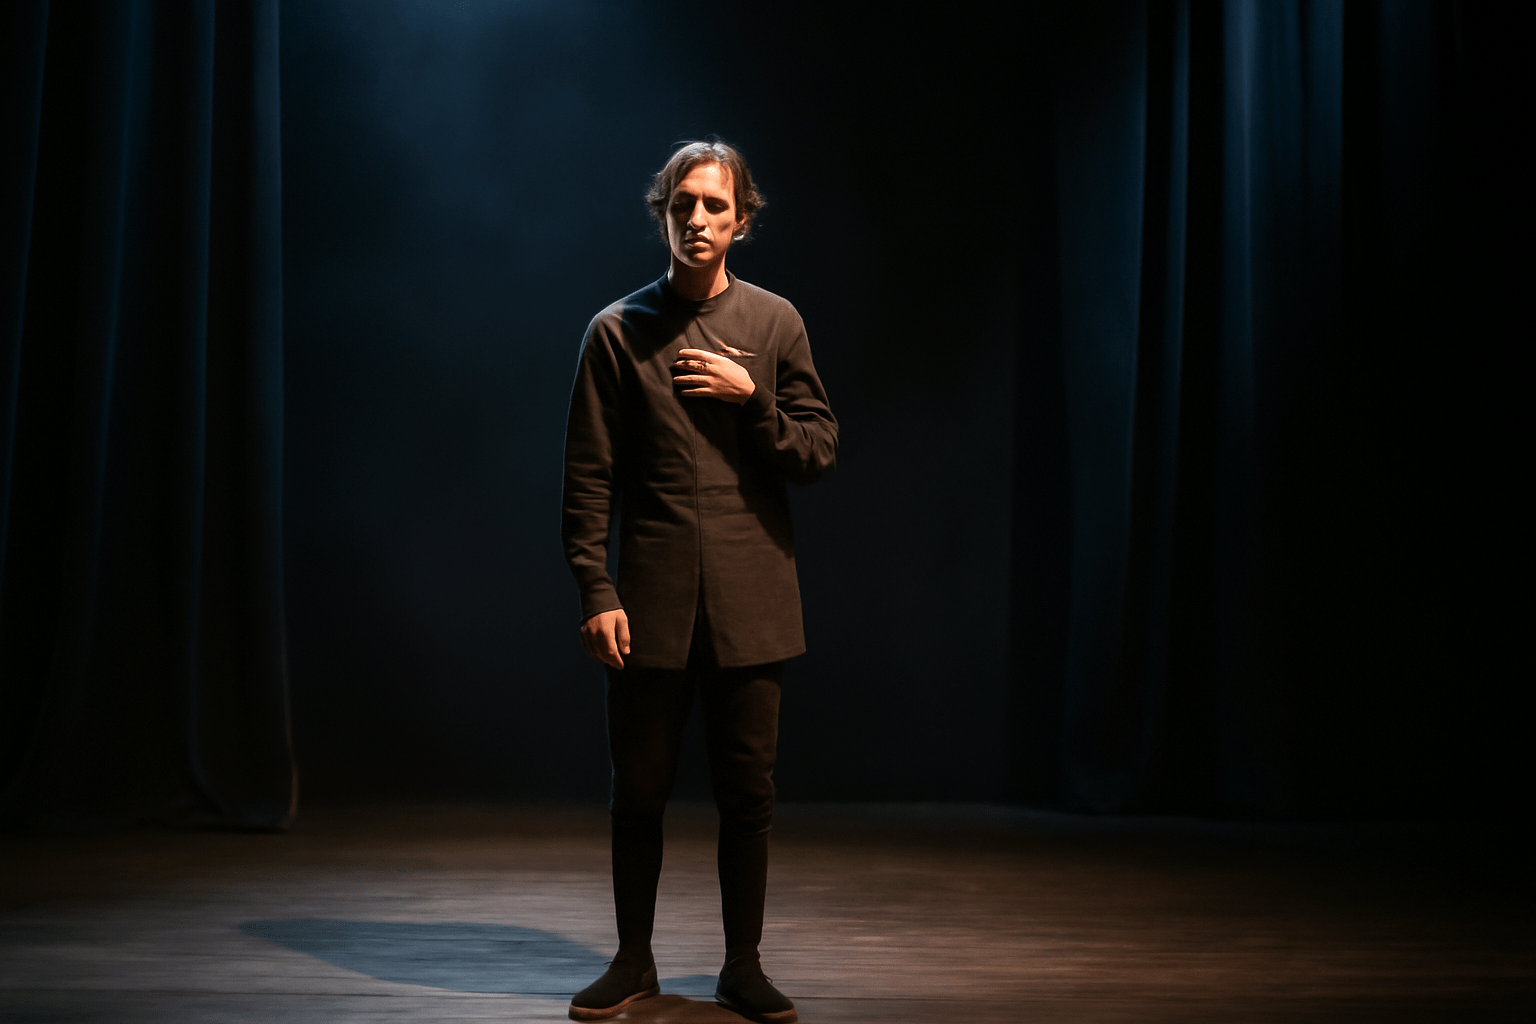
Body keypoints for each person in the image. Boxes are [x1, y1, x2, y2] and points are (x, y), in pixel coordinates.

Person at [560, 140, 837, 1023]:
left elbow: (817, 451)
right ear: (664, 215)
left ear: (741, 221)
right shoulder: (615, 333)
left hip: (755, 597)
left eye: (716, 206)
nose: (698, 220)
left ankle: (742, 967)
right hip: (650, 600)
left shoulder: (776, 324)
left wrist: (751, 394)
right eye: (684, 204)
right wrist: (595, 591)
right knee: (637, 789)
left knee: (746, 793)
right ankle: (634, 959)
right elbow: (587, 479)